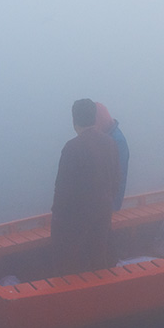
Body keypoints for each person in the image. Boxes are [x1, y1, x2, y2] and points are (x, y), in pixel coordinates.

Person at [51, 99, 121, 275]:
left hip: (77, 221)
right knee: (99, 261)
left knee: (74, 268)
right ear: (94, 118)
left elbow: (62, 190)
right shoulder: (110, 143)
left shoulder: (72, 148)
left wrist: (57, 220)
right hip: (103, 214)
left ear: (74, 120)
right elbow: (116, 179)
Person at [94, 102, 129, 210]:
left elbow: (119, 177)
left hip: (109, 205)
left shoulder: (117, 142)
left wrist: (112, 207)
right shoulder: (105, 136)